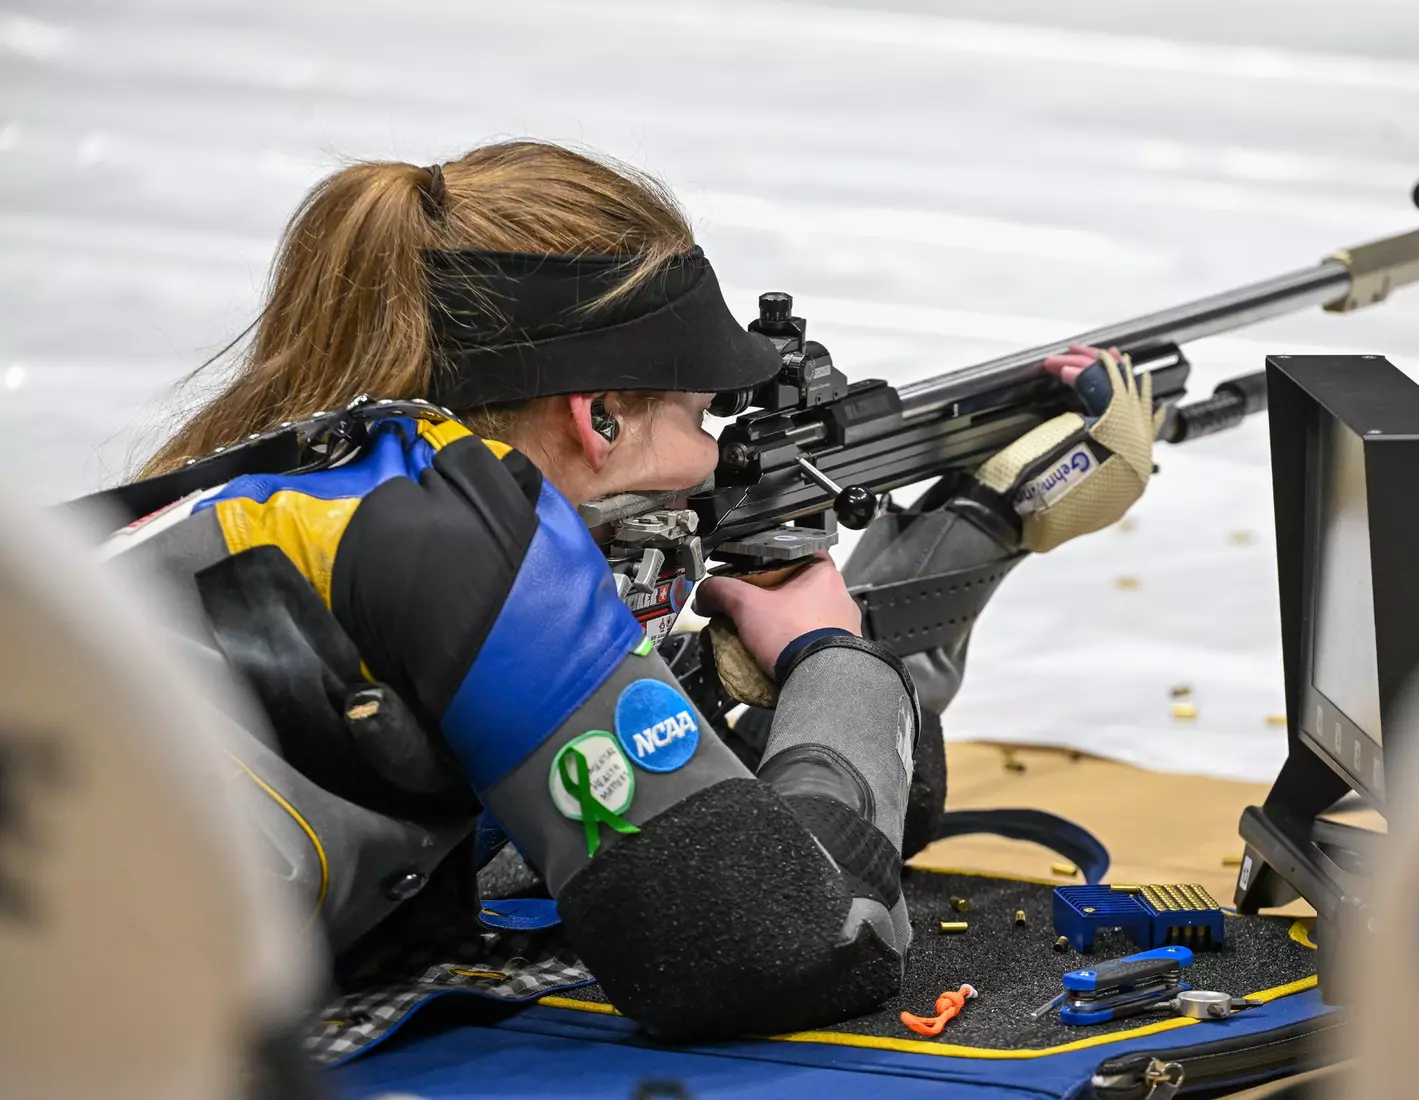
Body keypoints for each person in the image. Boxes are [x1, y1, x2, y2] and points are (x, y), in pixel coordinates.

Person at [103, 139, 1158, 1040]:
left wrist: (960, 535)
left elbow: (718, 838)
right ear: (596, 416)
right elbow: (780, 942)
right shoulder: (469, 539)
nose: (712, 460)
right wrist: (832, 658)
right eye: (703, 416)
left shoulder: (316, 489)